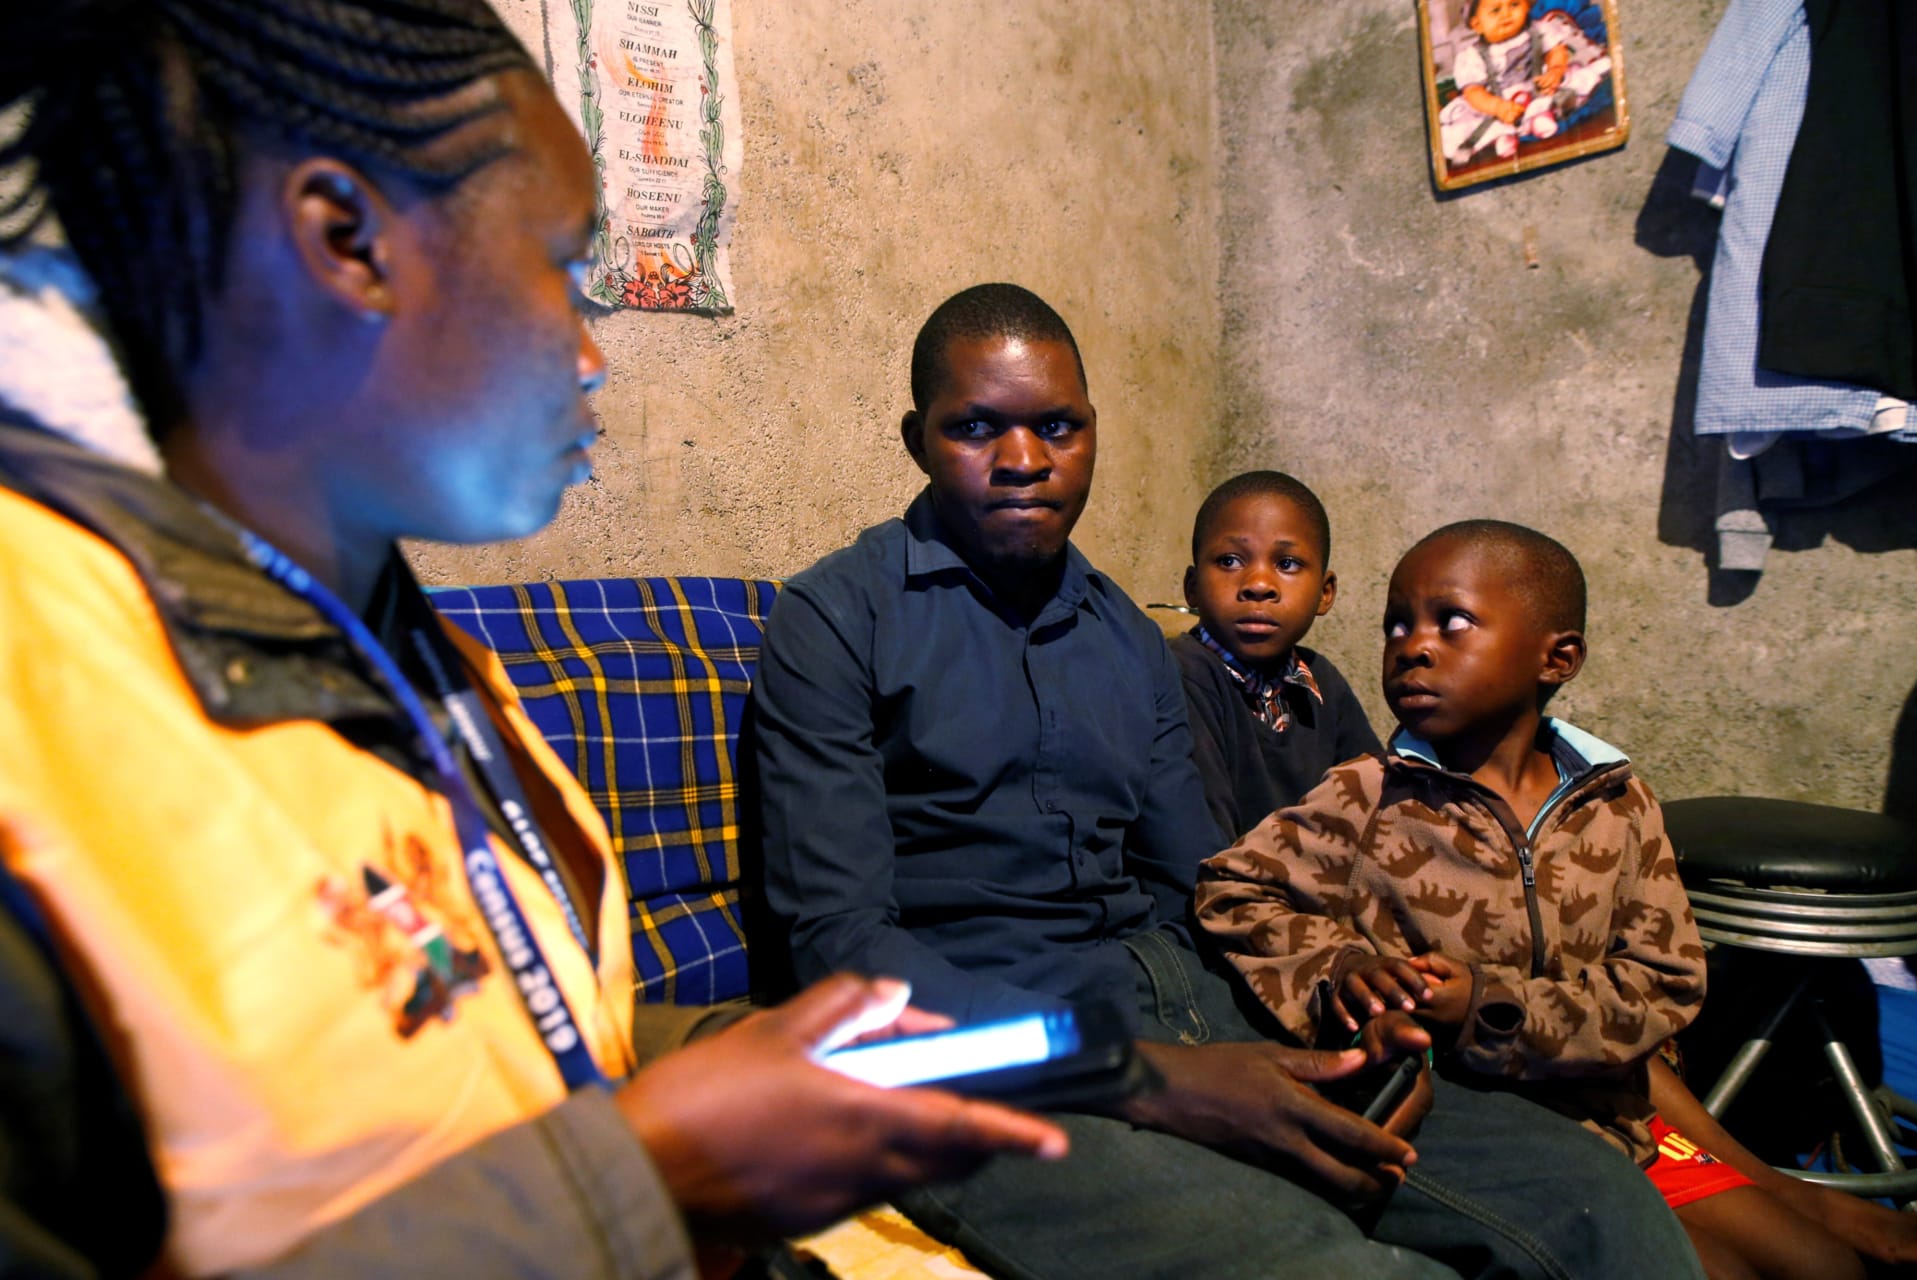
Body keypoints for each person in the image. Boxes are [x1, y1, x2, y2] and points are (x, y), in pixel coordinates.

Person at [0, 4, 1066, 1274]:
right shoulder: (42, 689)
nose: (593, 355)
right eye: (563, 269)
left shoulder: (381, 635)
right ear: (345, 240)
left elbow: (492, 1047)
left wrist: (726, 1062)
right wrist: (648, 1172)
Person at [751, 283, 1706, 1280]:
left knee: (1597, 1205)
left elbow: (1202, 883)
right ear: (917, 439)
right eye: (976, 427)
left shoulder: (1126, 634)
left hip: (1195, 1002)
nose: (1025, 459)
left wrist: (1335, 987)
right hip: (974, 1049)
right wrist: (1158, 1079)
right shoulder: (835, 619)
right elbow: (841, 955)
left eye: (1058, 426)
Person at [1194, 519, 1869, 1280]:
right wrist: (1344, 969)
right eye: (1396, 625)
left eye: (1452, 622)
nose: (1412, 645)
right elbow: (1234, 889)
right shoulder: (1370, 796)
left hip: (1616, 1120)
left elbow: (1665, 981)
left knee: (1822, 1266)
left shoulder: (1617, 803)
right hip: (1467, 1125)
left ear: (1559, 658)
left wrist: (1491, 1007)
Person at [1173, 469, 1381, 840]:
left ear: (1325, 593)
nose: (1258, 585)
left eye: (1286, 565)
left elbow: (1376, 815)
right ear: (1192, 588)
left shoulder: (1322, 683)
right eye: (1230, 561)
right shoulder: (1182, 676)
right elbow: (1202, 847)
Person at [1437, 0, 1612, 166]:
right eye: (1495, 10)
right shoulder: (1472, 56)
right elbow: (1473, 91)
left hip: (1535, 85)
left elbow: (1555, 51)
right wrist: (1498, 107)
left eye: (1514, 4)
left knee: (1571, 80)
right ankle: (1503, 137)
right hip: (1498, 102)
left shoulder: (1538, 30)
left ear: (1527, 5)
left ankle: (1541, 118)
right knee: (1477, 122)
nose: (1506, 14)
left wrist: (1556, 70)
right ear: (1477, 25)